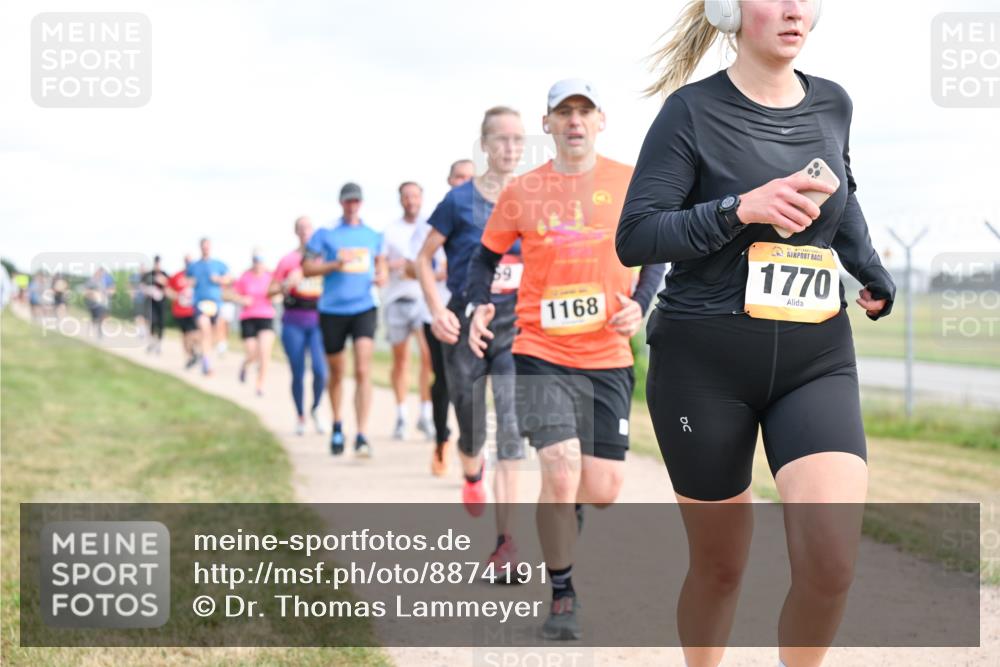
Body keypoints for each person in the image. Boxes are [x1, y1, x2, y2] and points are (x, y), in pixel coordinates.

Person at [616, 2, 896, 666]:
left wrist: (872, 270)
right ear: (729, 11)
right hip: (702, 365)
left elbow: (841, 196)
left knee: (830, 562)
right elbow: (637, 235)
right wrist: (740, 208)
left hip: (815, 357)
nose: (796, 8)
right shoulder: (690, 112)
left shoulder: (833, 103)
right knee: (720, 567)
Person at [465, 82, 666, 639]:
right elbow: (482, 262)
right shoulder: (523, 191)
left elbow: (656, 258)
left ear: (601, 120)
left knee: (600, 492)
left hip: (606, 353)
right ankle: (562, 594)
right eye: (563, 112)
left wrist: (640, 306)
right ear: (547, 123)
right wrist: (478, 304)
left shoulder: (631, 182)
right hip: (540, 350)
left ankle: (567, 504)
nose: (574, 121)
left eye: (584, 111)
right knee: (557, 465)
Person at [418, 107, 534, 579]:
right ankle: (471, 471)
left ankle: (506, 542)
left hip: (513, 327)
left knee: (509, 427)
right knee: (470, 427)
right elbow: (423, 259)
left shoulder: (533, 197)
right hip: (463, 325)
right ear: (484, 145)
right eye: (500, 139)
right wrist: (437, 310)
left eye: (517, 139)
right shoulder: (458, 201)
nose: (509, 147)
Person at [303, 182, 387, 457]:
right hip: (332, 309)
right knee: (337, 372)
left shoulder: (372, 234)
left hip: (364, 306)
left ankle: (362, 434)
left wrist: (381, 276)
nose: (352, 205)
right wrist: (333, 265)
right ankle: (338, 424)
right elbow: (306, 268)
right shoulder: (326, 234)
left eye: (356, 201)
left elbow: (381, 264)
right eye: (348, 201)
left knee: (363, 369)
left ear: (361, 204)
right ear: (341, 203)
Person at [404, 157, 474, 475]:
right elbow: (412, 264)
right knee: (446, 379)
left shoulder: (484, 216)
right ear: (449, 180)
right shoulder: (431, 221)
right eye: (458, 177)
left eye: (469, 178)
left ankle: (473, 447)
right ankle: (442, 440)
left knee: (476, 381)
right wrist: (438, 269)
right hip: (437, 312)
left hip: (475, 311)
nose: (464, 183)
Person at [383, 182, 435, 440]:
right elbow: (381, 264)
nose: (411, 200)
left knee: (428, 357)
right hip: (397, 299)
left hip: (424, 300)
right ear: (400, 200)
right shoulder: (391, 230)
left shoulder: (431, 227)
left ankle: (425, 414)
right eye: (406, 196)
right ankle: (401, 414)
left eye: (415, 195)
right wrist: (394, 266)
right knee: (401, 360)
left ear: (421, 198)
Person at [271, 216, 329, 436]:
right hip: (294, 320)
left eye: (308, 228)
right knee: (297, 371)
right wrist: (287, 284)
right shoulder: (287, 260)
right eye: (301, 229)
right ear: (296, 232)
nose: (305, 232)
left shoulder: (322, 258)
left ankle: (316, 408)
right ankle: (300, 416)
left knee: (320, 370)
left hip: (318, 320)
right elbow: (271, 290)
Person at [232, 250, 276, 396]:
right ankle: (245, 365)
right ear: (252, 261)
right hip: (248, 317)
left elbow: (279, 289)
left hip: (266, 316)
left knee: (264, 351)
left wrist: (277, 295)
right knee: (252, 353)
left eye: (261, 260)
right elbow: (231, 293)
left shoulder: (270, 276)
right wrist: (241, 299)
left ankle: (260, 385)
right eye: (256, 260)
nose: (258, 263)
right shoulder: (245, 277)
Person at [186, 238, 231, 375]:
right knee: (205, 331)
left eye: (207, 246)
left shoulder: (219, 264)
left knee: (215, 331)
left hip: (216, 303)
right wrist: (190, 283)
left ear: (210, 247)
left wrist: (219, 279)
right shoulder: (194, 266)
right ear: (200, 248)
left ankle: (217, 346)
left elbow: (229, 279)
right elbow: (187, 281)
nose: (205, 249)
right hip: (200, 302)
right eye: (203, 246)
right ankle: (206, 363)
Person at [166, 255, 200, 368]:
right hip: (180, 311)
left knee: (194, 333)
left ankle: (195, 352)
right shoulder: (177, 276)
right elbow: (167, 290)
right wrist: (176, 296)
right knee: (185, 335)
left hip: (193, 310)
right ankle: (190, 356)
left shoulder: (196, 276)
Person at [141, 256, 169, 354]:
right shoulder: (149, 274)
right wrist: (148, 290)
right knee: (152, 322)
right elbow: (142, 285)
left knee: (161, 325)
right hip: (151, 302)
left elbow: (168, 286)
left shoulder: (164, 274)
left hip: (161, 303)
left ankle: (159, 345)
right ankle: (152, 342)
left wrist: (162, 281)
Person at [84, 267, 116, 338]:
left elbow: (108, 290)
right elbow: (86, 291)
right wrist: (92, 294)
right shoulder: (91, 281)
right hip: (91, 302)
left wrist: (108, 293)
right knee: (94, 317)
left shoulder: (102, 282)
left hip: (100, 302)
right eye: (100, 272)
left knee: (101, 315)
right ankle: (92, 328)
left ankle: (100, 331)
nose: (101, 274)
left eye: (102, 273)